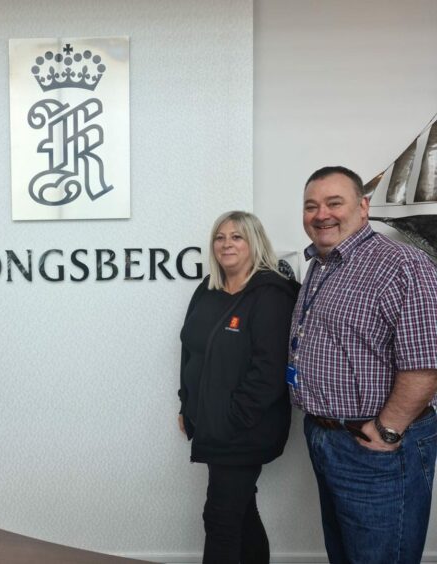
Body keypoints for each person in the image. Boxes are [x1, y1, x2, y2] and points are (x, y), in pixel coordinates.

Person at [290, 166, 437, 564]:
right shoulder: (323, 265)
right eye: (311, 206)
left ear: (363, 207)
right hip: (327, 438)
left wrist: (387, 431)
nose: (322, 214)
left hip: (377, 448)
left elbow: (426, 364)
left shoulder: (403, 266)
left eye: (334, 203)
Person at [178, 211, 298, 564]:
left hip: (243, 429)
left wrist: (231, 418)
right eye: (220, 237)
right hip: (211, 424)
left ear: (254, 243)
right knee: (240, 511)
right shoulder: (208, 289)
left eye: (237, 237)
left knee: (220, 519)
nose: (226, 244)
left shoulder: (271, 294)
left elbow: (269, 370)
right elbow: (189, 349)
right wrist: (187, 404)